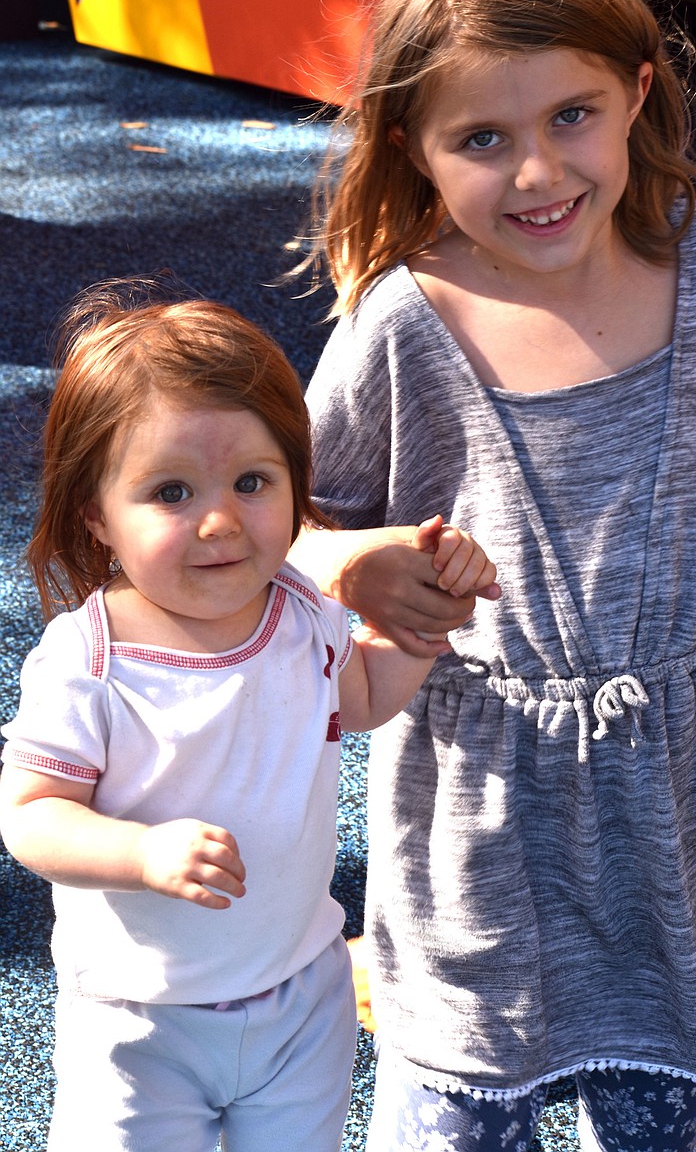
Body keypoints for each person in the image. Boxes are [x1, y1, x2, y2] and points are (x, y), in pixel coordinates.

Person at [289, 0, 696, 1152]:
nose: (537, 172)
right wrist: (346, 562)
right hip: (486, 809)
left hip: (692, 791)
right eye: (482, 137)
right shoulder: (403, 323)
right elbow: (283, 514)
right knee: (460, 1108)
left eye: (571, 116)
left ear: (637, 92)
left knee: (665, 1100)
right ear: (412, 146)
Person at [0, 283, 498, 1152]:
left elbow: (361, 697)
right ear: (96, 515)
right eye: (171, 491)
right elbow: (32, 815)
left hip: (300, 992)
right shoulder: (89, 660)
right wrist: (140, 853)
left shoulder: (301, 610)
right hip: (140, 1017)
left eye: (252, 482)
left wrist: (421, 629)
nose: (221, 519)